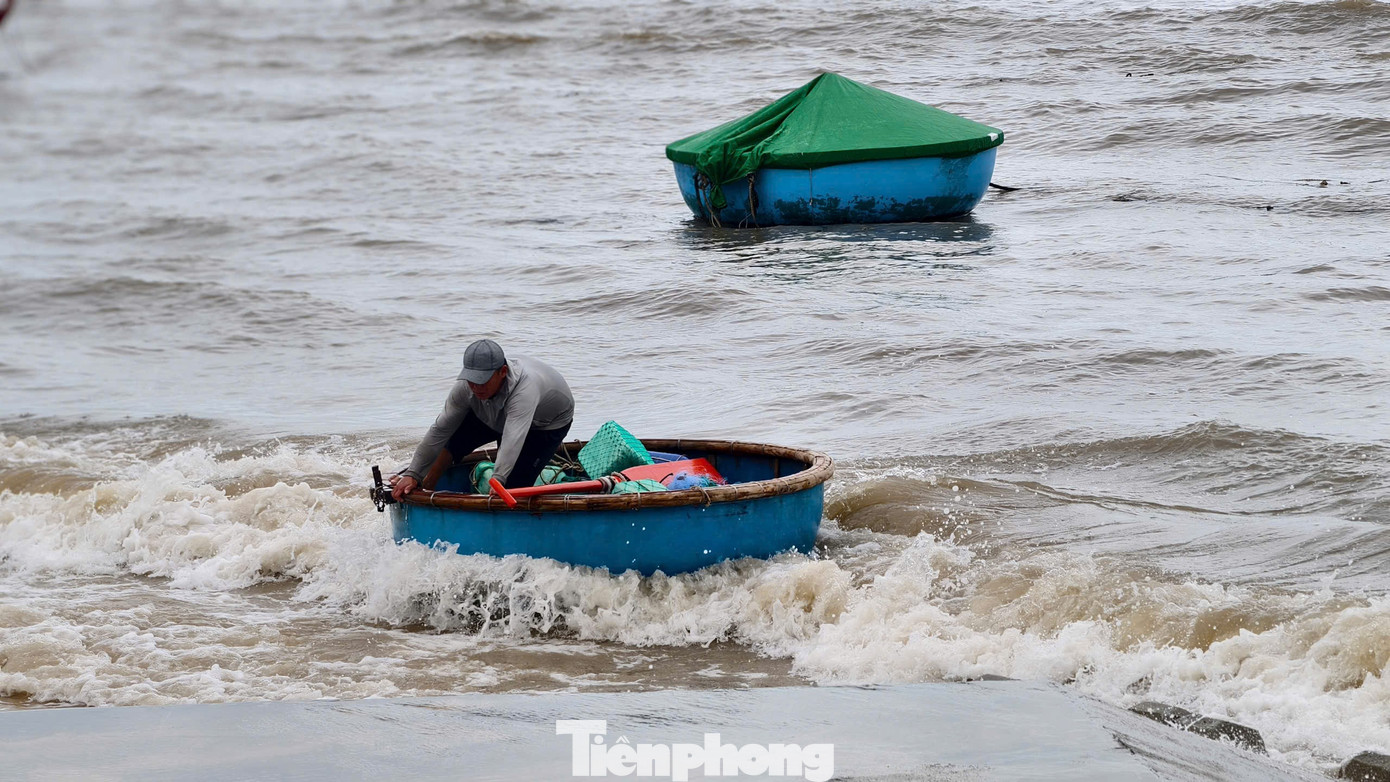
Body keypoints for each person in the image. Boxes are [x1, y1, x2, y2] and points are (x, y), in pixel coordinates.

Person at [389, 339, 574, 501]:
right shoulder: (466, 388)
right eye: (471, 380)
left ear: (502, 372)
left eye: (482, 381)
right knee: (451, 441)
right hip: (493, 410)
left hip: (544, 424)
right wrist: (413, 473)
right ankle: (427, 485)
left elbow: (512, 439)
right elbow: (439, 430)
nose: (475, 387)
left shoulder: (525, 390)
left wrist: (499, 480)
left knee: (513, 486)